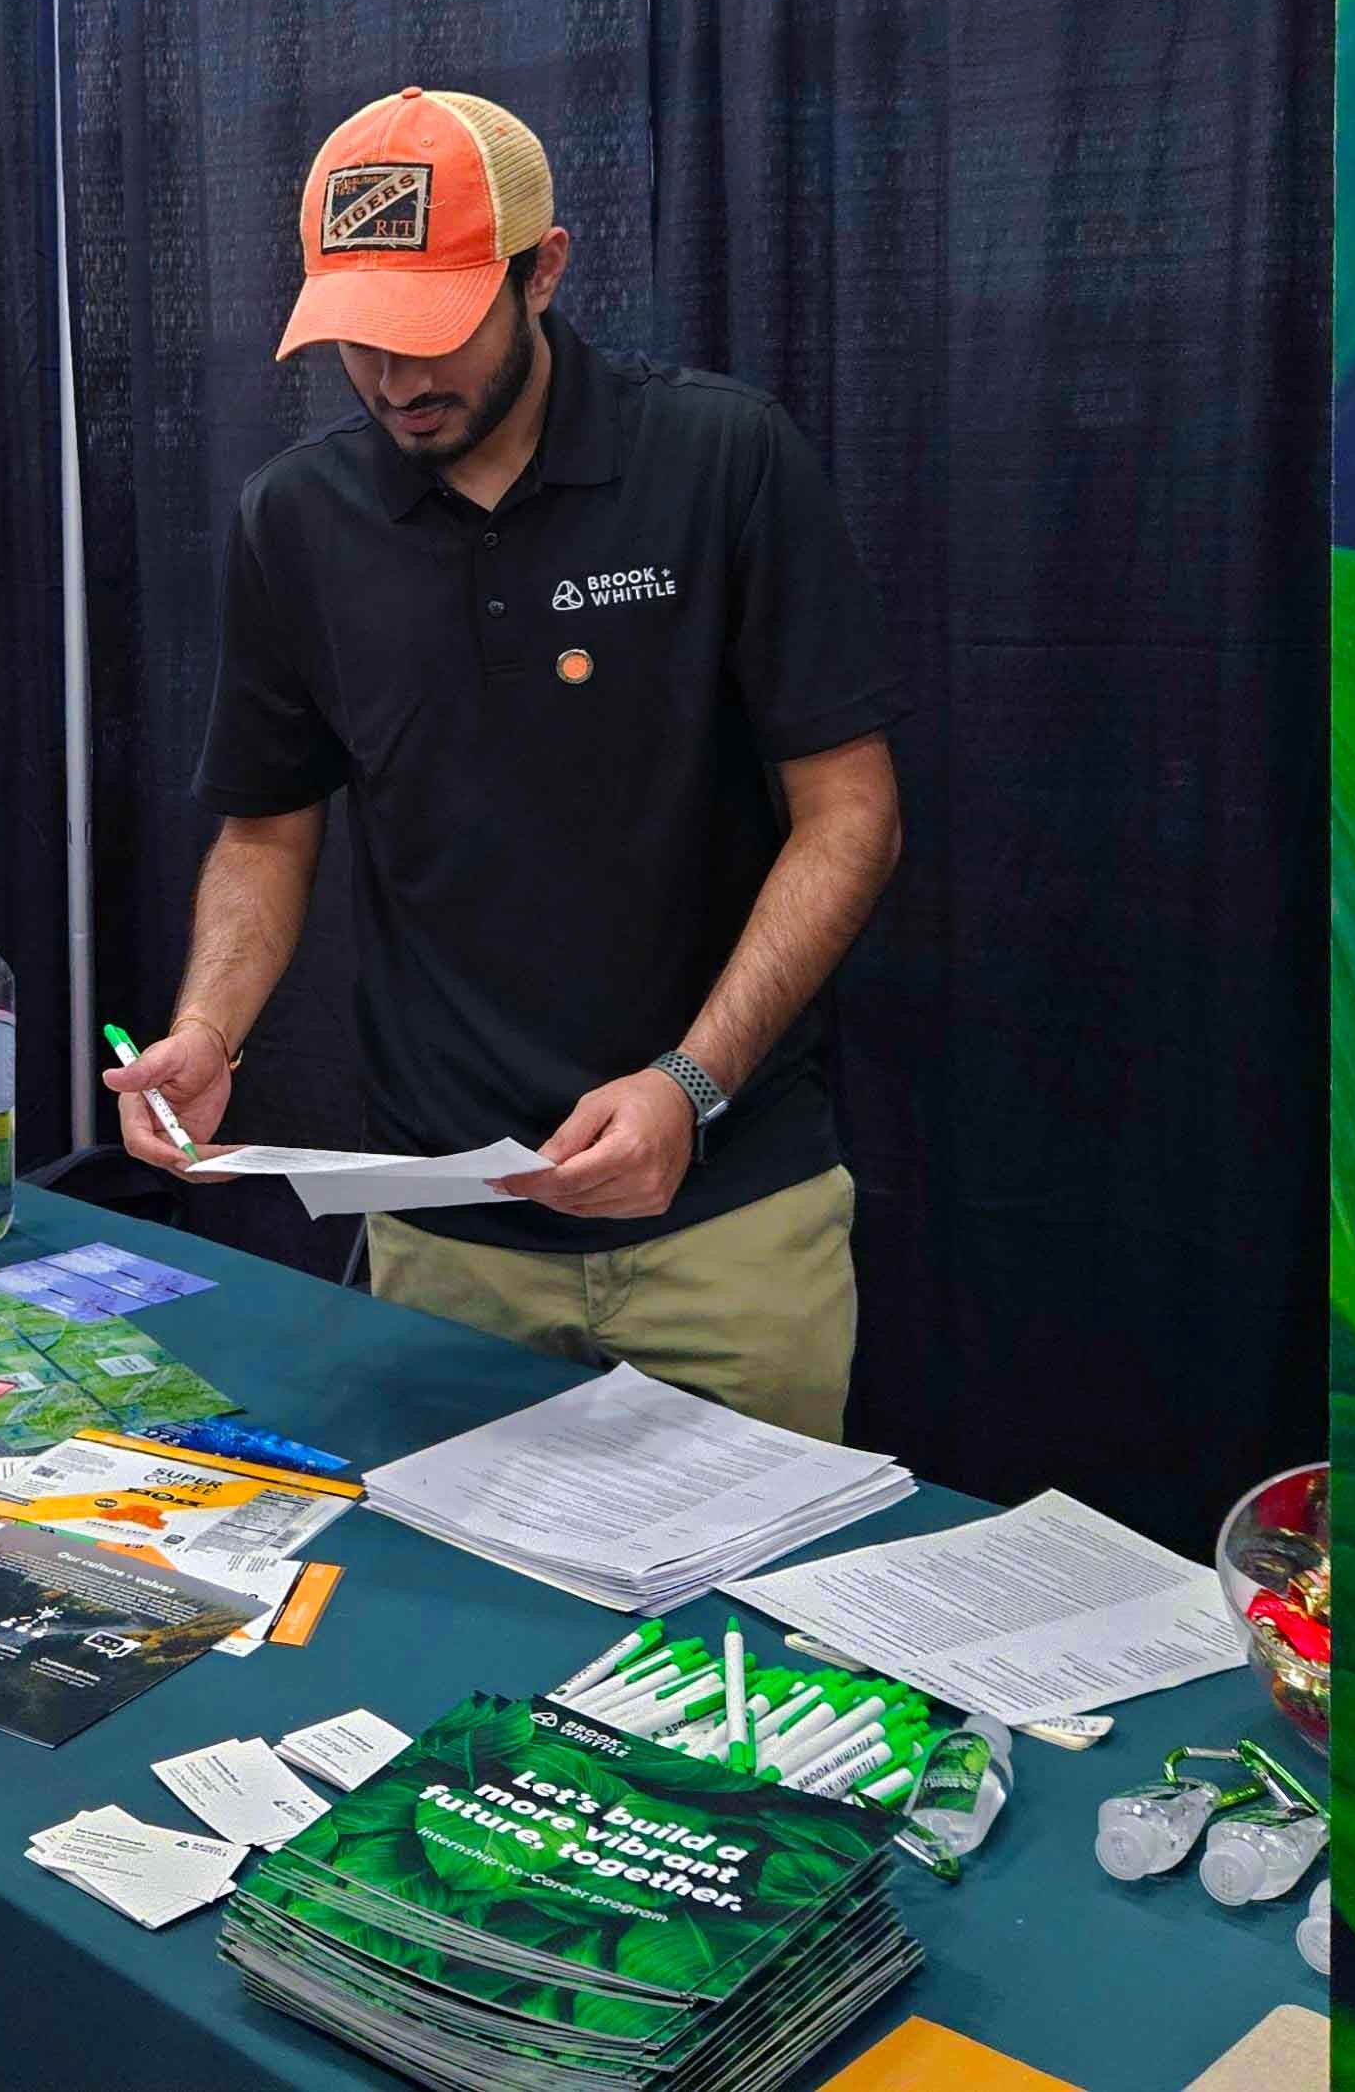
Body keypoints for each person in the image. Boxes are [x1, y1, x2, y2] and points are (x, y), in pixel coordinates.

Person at [107, 90, 905, 1440]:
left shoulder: (719, 459)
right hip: (447, 1238)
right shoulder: (297, 520)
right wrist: (208, 1029)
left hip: (727, 1216)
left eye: (433, 333)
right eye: (357, 340)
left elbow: (851, 816)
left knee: (745, 1636)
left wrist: (687, 1083)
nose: (395, 381)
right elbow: (265, 833)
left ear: (545, 269)